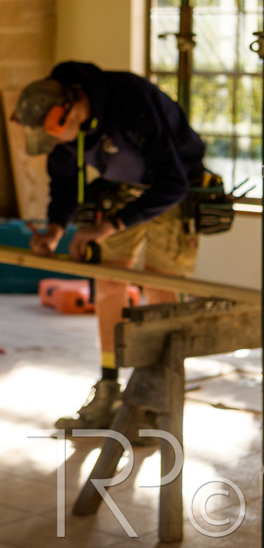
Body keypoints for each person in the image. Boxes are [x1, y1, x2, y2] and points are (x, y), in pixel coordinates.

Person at [14, 62, 205, 430]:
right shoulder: (63, 129)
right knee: (109, 280)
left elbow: (173, 183)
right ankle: (108, 388)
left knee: (160, 285)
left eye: (58, 136)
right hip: (124, 186)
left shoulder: (132, 102)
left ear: (73, 107)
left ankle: (158, 400)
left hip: (173, 188)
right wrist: (55, 230)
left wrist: (107, 226)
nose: (58, 145)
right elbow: (65, 182)